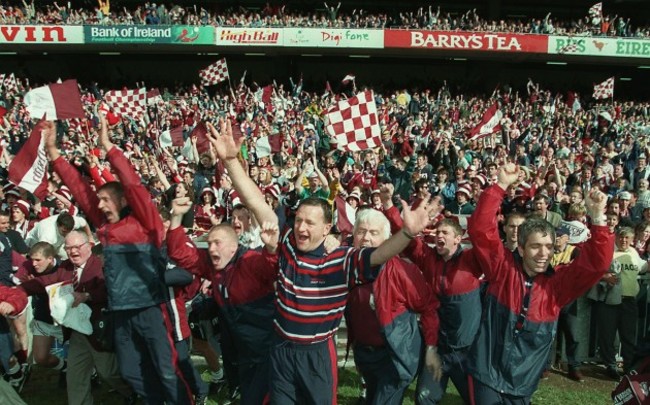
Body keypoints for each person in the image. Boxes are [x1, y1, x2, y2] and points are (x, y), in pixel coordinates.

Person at [205, 119, 437, 403]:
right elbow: (257, 204)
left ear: (327, 228)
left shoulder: (340, 261)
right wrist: (231, 161)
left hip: (316, 355)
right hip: (281, 349)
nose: (302, 228)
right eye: (299, 220)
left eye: (311, 224)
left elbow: (378, 255)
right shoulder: (288, 244)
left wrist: (407, 233)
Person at [43, 118, 193, 404]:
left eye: (105, 199)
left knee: (166, 370)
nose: (98, 205)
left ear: (123, 201)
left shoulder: (144, 222)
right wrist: (53, 151)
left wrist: (109, 147)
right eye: (97, 201)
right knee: (130, 372)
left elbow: (134, 185)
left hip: (150, 308)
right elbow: (79, 188)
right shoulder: (104, 225)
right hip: (120, 313)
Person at [466, 163, 614, 404]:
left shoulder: (557, 287)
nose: (543, 253)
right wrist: (500, 185)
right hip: (486, 376)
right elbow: (481, 229)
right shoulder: (502, 270)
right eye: (535, 246)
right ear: (522, 248)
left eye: (548, 247)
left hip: (522, 385)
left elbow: (596, 265)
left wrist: (598, 216)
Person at [166, 197, 278, 404]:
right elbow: (180, 254)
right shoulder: (211, 265)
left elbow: (273, 268)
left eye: (217, 243)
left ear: (233, 247)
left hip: (266, 349)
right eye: (209, 243)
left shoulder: (251, 260)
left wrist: (271, 249)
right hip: (240, 349)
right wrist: (176, 217)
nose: (211, 248)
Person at [382, 187, 482, 404]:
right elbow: (406, 236)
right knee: (423, 399)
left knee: (480, 400)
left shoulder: (471, 261)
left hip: (468, 352)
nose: (439, 236)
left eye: (445, 233)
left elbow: (487, 240)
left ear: (458, 238)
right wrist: (389, 206)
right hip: (437, 350)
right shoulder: (427, 258)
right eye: (437, 233)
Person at [19, 231, 135, 405]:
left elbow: (110, 290)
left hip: (98, 330)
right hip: (77, 333)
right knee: (75, 377)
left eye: (77, 247)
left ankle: (133, 392)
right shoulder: (66, 267)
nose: (73, 252)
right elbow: (45, 282)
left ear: (88, 246)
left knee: (108, 372)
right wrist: (16, 291)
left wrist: (87, 295)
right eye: (68, 248)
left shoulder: (100, 264)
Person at [345, 208, 441, 404]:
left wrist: (431, 349)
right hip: (365, 353)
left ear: (388, 238)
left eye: (373, 233)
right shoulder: (346, 266)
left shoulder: (404, 272)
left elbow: (429, 307)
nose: (366, 238)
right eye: (361, 231)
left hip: (396, 356)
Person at [24, 212, 93, 259]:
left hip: (58, 243)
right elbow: (43, 254)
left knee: (74, 257)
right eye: (64, 231)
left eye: (69, 231)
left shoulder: (73, 221)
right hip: (36, 246)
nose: (67, 234)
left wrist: (90, 237)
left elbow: (84, 223)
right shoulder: (47, 233)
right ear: (57, 225)